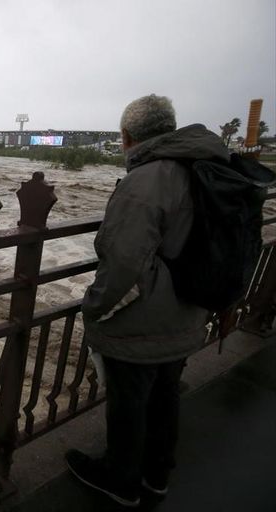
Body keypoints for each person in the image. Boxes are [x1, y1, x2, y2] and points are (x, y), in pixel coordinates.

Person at [65, 94, 230, 507]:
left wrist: (94, 307)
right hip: (189, 311)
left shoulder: (145, 182)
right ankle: (156, 476)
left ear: (126, 137)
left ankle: (120, 482)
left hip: (144, 323)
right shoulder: (203, 168)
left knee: (130, 404)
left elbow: (123, 264)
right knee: (165, 397)